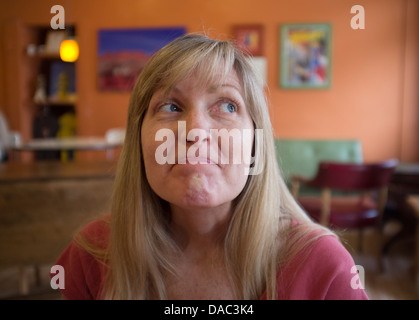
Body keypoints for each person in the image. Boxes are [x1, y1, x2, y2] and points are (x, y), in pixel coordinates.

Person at [53, 34, 368, 300]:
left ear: (256, 143)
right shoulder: (90, 256)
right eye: (171, 106)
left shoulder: (325, 268)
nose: (196, 132)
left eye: (228, 106)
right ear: (138, 139)